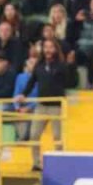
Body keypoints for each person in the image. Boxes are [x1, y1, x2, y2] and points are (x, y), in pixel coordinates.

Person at [18, 39, 68, 169]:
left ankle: (60, 163)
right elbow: (32, 81)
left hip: (56, 105)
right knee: (34, 135)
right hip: (41, 105)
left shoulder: (61, 65)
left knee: (57, 136)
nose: (48, 50)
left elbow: (71, 81)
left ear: (56, 49)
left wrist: (70, 66)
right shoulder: (39, 65)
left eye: (51, 47)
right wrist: (23, 94)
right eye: (45, 47)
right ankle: (36, 163)